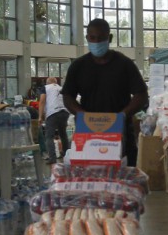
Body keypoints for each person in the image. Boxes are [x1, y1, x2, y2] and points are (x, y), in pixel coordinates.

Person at [62, 18, 148, 166]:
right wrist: (82, 115)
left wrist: (122, 115)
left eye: (101, 38)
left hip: (120, 133)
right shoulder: (78, 66)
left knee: (122, 176)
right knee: (90, 175)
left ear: (110, 38)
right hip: (88, 134)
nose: (96, 42)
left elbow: (141, 95)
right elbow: (67, 96)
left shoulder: (124, 64)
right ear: (87, 38)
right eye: (92, 38)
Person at [41, 77, 69, 164]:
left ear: (47, 83)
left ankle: (52, 158)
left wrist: (40, 116)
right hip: (65, 112)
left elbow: (42, 101)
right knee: (63, 134)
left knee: (49, 136)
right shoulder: (61, 88)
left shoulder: (45, 88)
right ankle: (67, 155)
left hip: (52, 112)